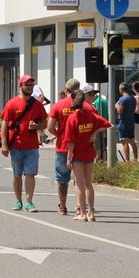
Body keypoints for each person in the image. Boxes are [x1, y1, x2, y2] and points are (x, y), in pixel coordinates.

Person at [0, 75, 48, 212]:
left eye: (32, 85)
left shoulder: (37, 104)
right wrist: (4, 144)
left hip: (32, 146)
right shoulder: (12, 103)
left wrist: (37, 127)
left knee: (30, 174)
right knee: (17, 174)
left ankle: (29, 202)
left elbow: (45, 122)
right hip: (16, 145)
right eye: (27, 85)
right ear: (20, 86)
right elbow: (4, 124)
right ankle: (18, 200)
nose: (30, 88)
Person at [65, 89, 111, 222]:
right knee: (88, 184)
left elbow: (71, 142)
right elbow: (107, 124)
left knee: (79, 184)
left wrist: (68, 158)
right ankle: (91, 213)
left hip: (78, 154)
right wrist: (93, 134)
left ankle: (82, 213)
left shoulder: (72, 118)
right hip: (89, 152)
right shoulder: (91, 115)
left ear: (73, 100)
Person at [46, 78, 82, 216]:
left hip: (63, 146)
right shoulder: (83, 105)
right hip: (80, 146)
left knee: (62, 178)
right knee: (80, 178)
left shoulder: (58, 105)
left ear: (66, 90)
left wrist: (59, 134)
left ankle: (63, 206)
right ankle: (80, 206)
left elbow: (50, 127)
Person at [114, 83, 136, 162]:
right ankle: (135, 159)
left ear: (121, 90)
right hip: (131, 120)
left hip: (123, 121)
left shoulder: (122, 99)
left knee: (124, 141)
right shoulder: (133, 98)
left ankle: (127, 161)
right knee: (132, 141)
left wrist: (116, 105)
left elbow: (120, 111)